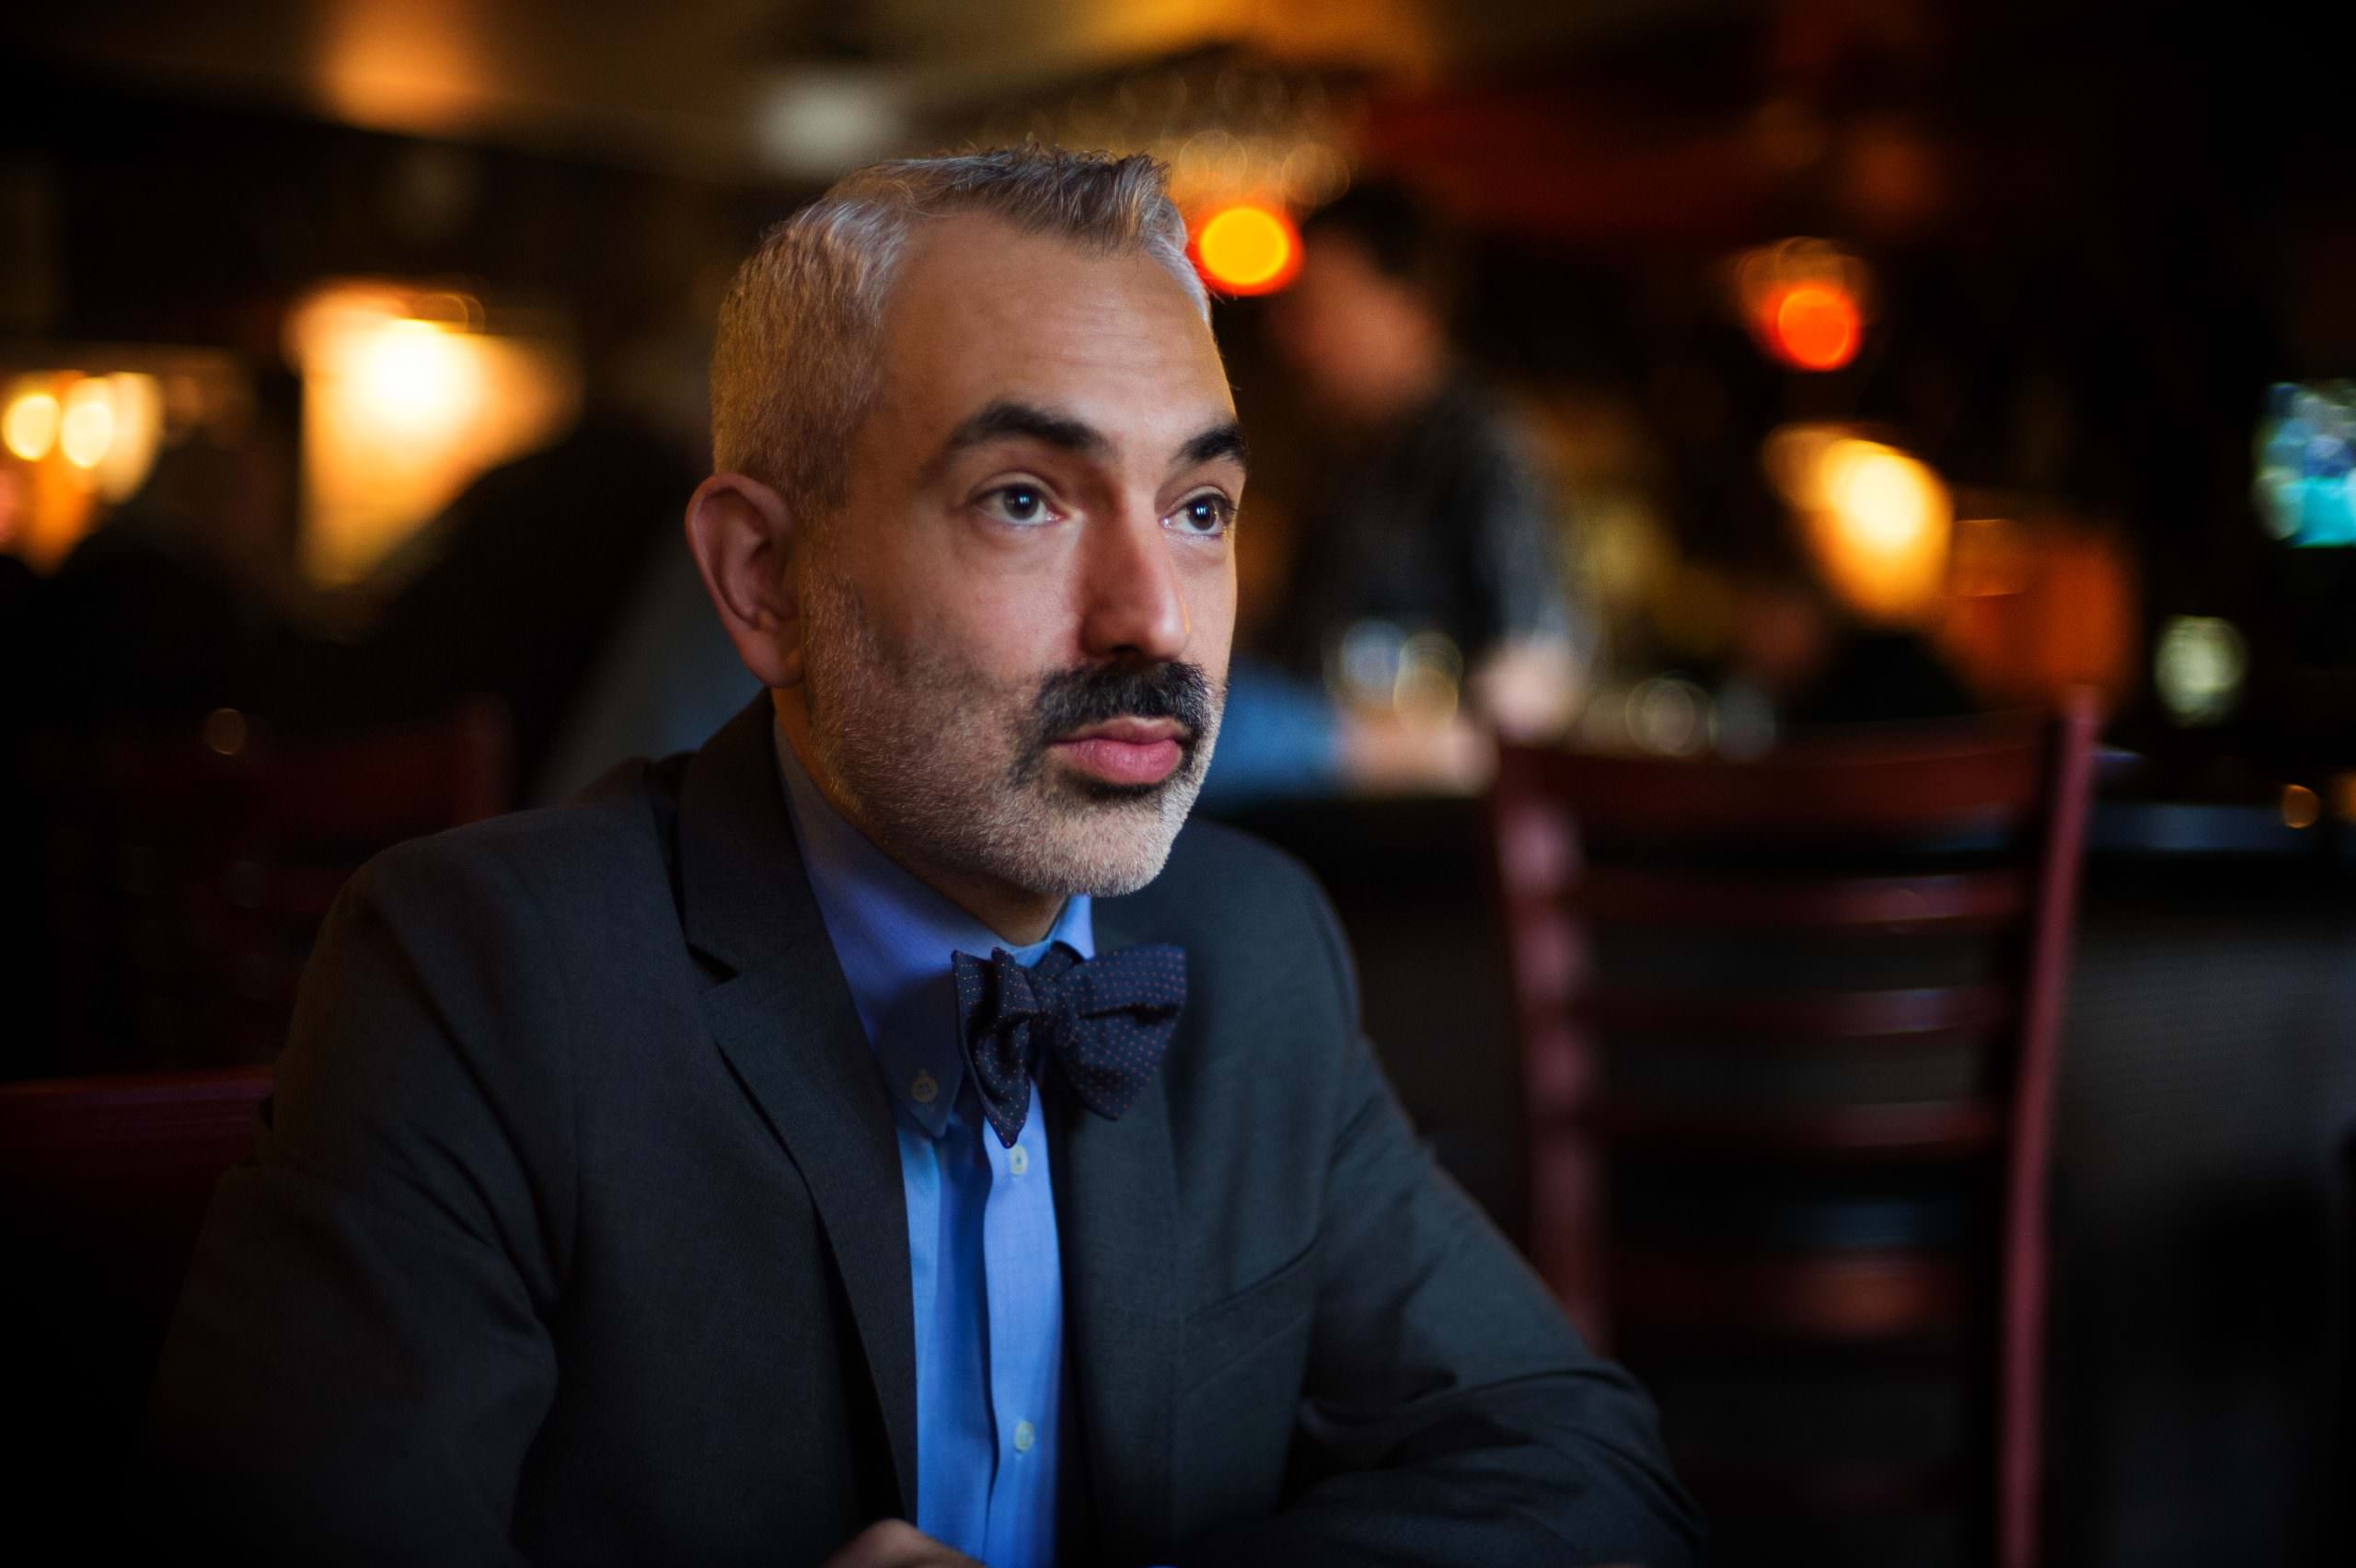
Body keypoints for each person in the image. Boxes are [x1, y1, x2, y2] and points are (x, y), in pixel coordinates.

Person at [147, 147, 1699, 1567]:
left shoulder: (1253, 948)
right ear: (763, 580)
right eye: (1024, 499)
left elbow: (1589, 1471)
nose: (1154, 615)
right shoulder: (477, 975)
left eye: (1202, 504)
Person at [1201, 181, 1582, 805]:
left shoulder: (1480, 450)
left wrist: (1381, 749)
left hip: (1395, 818)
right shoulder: (1345, 448)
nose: (1293, 337)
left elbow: (1531, 676)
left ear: (1409, 305)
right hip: (1322, 799)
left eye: (1320, 307)